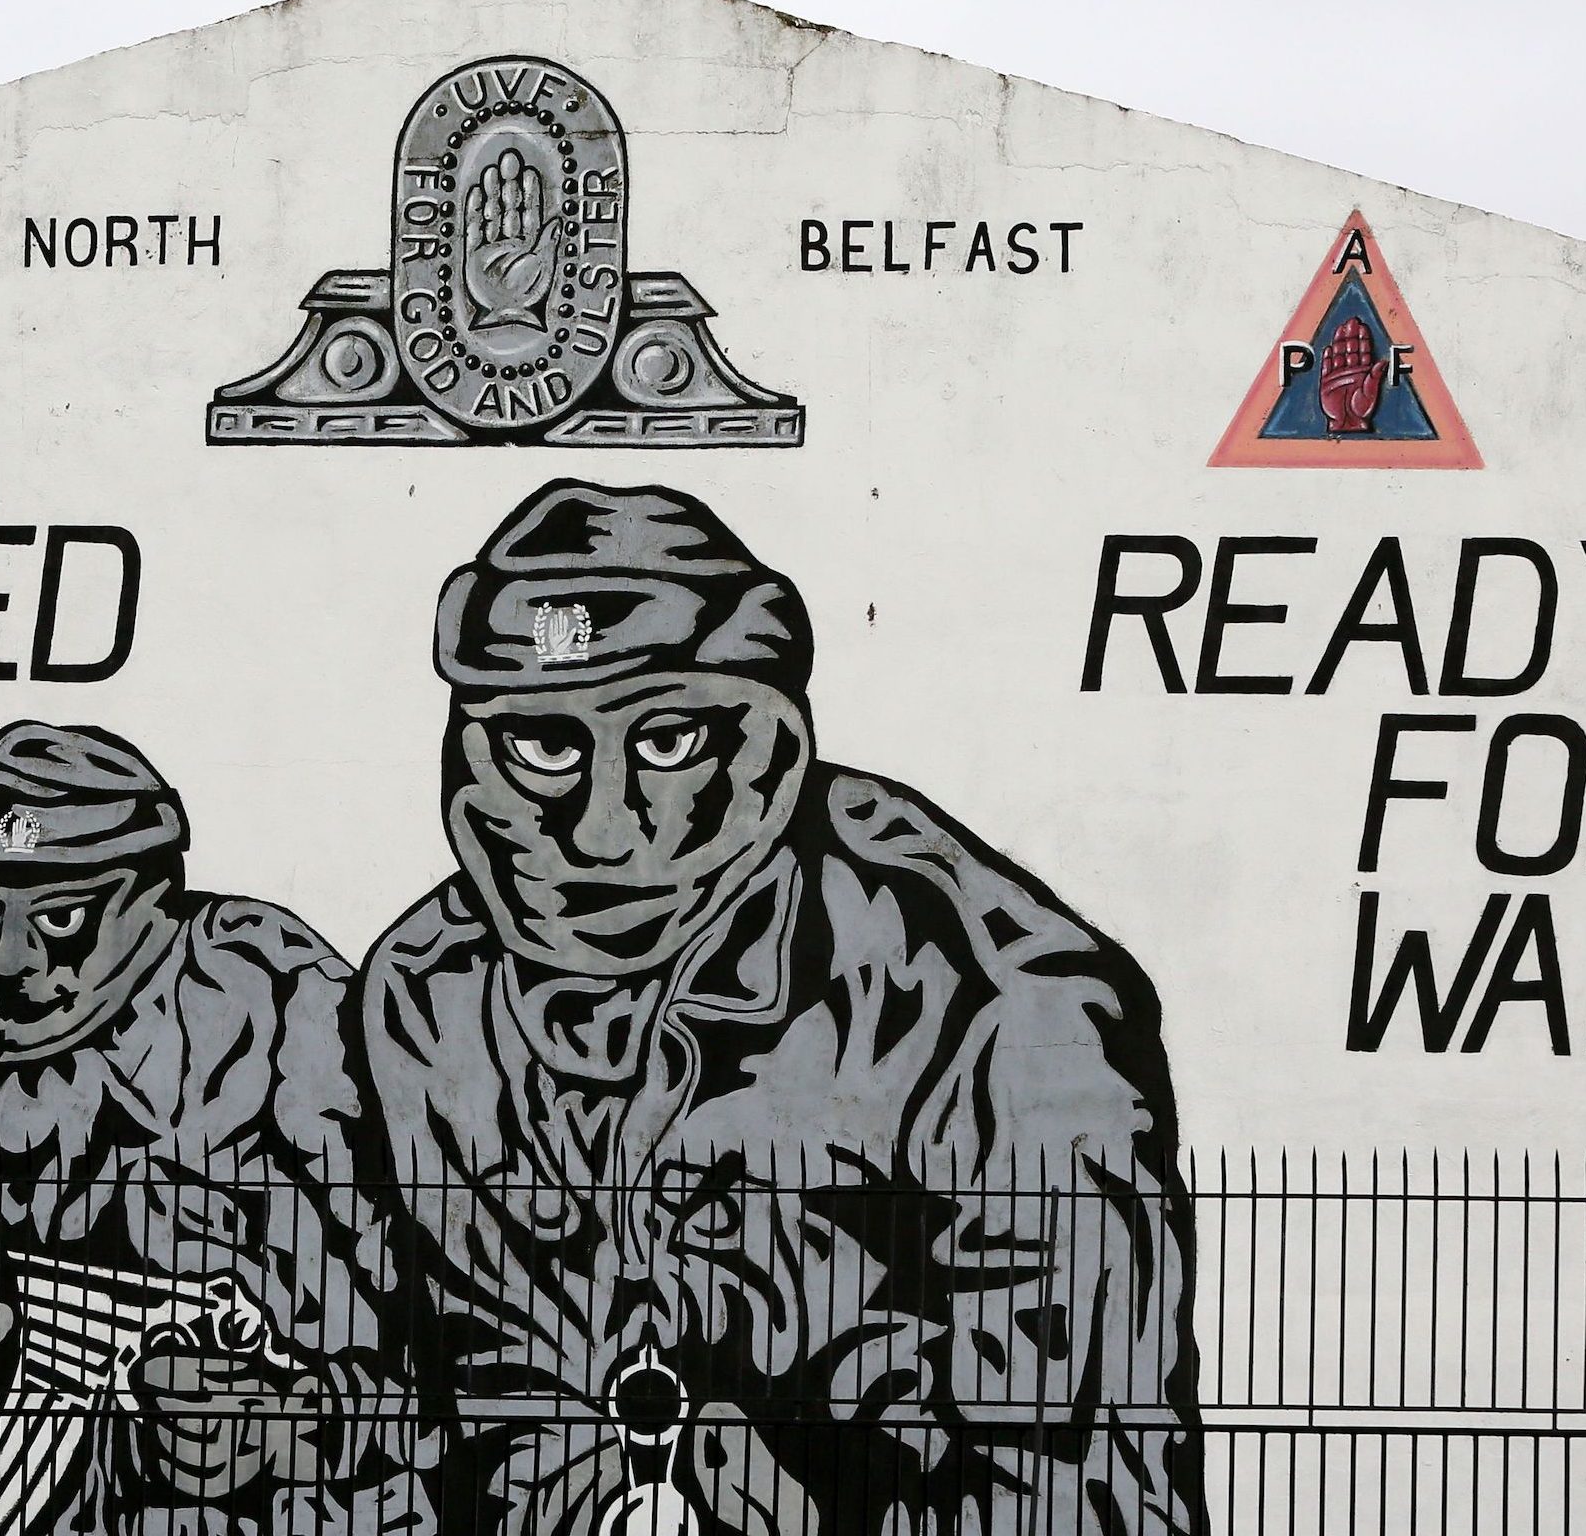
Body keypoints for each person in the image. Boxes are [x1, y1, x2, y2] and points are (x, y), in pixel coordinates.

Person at [355, 481, 1207, 1536]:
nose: (605, 834)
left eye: (669, 743)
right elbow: (489, 1406)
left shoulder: (1000, 1006)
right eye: (543, 748)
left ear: (763, 748)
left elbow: (1075, 1480)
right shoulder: (431, 994)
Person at [0, 720, 416, 1536]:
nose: (7, 963)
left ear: (154, 896)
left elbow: (423, 1312)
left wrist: (297, 1420)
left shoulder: (273, 999)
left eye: (61, 920)